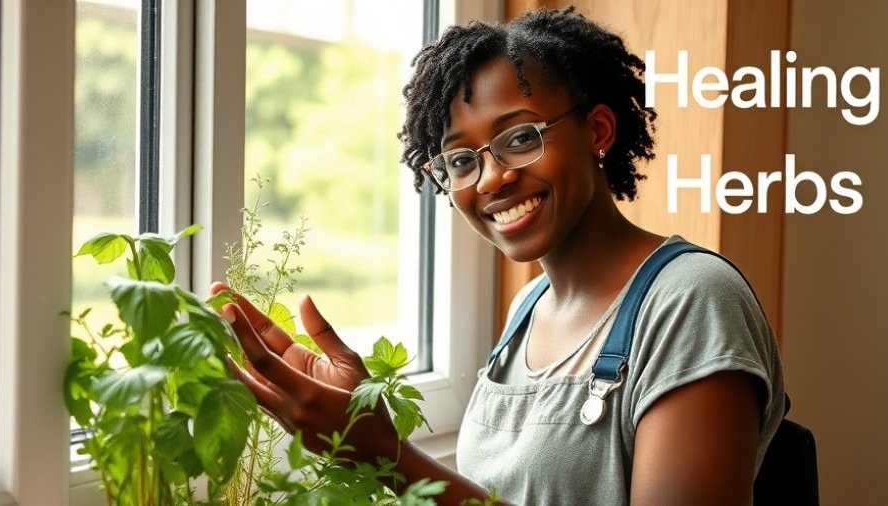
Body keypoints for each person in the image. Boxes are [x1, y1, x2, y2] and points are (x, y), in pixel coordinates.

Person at [214, 6, 785, 505]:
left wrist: (388, 456)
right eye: (460, 160)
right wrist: (366, 434)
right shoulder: (528, 310)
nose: (492, 178)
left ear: (599, 130)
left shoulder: (692, 301)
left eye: (520, 138)